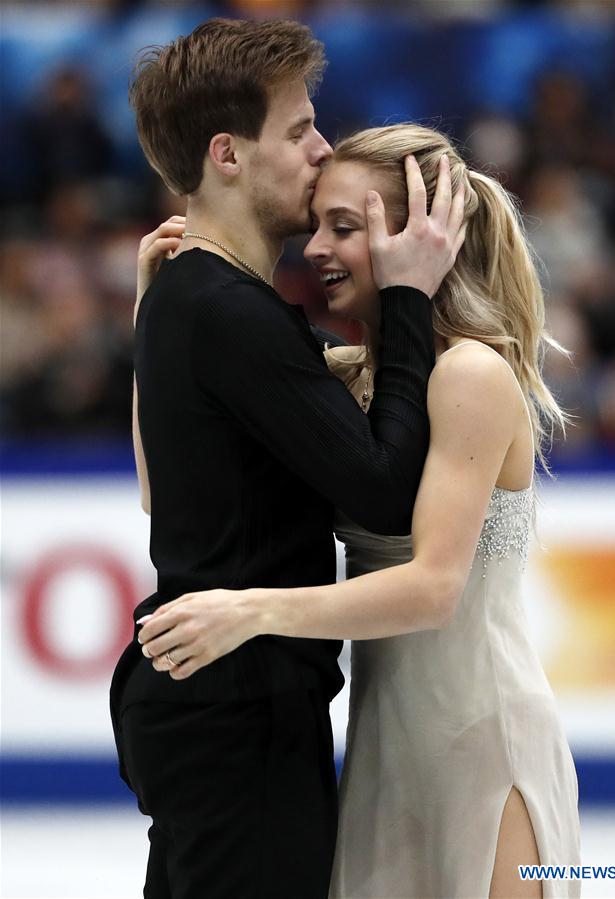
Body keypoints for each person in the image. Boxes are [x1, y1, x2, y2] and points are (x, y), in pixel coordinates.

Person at [138, 124, 581, 898]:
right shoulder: (345, 376)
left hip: (481, 738)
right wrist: (155, 322)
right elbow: (162, 490)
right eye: (317, 224)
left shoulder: (468, 374)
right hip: (383, 743)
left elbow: (433, 588)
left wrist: (250, 611)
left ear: (421, 235)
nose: (315, 248)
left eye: (345, 226)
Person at [110, 19, 465, 899]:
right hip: (235, 707)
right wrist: (413, 300)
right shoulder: (228, 309)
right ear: (227, 154)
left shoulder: (186, 292)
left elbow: (162, 491)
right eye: (301, 128)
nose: (323, 146)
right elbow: (384, 493)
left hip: (214, 702)